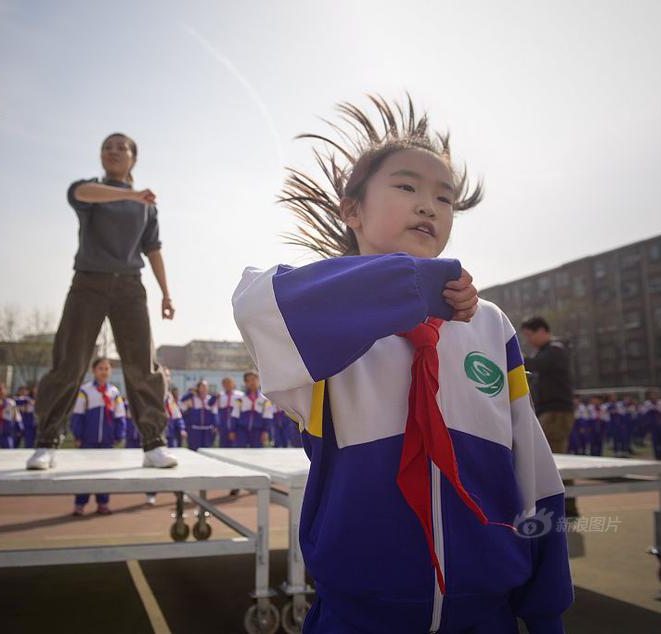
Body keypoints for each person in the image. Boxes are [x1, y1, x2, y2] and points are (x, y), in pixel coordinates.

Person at [232, 95, 571, 632]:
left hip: (487, 614)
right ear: (352, 211)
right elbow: (255, 306)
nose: (429, 206)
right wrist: (409, 284)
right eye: (407, 186)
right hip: (357, 615)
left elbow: (532, 465)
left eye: (445, 197)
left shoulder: (489, 325)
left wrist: (546, 609)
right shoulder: (322, 327)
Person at [28, 132, 177, 471]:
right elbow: (80, 193)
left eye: (121, 147)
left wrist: (166, 293)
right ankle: (46, 442)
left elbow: (153, 249)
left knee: (143, 365)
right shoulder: (90, 189)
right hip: (89, 283)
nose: (113, 151)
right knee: (69, 362)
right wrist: (132, 193)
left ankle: (154, 442)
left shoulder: (146, 205)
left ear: (133, 158)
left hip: (129, 287)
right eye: (107, 147)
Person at [520, 316, 578, 517]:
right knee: (554, 458)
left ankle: (565, 507)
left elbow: (537, 364)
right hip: (550, 411)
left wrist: (511, 355)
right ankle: (566, 506)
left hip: (557, 412)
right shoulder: (548, 351)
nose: (529, 341)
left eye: (529, 335)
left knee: (554, 459)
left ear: (542, 331)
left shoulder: (555, 349)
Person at [70, 358, 126, 516]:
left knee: (105, 473)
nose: (104, 371)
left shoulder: (114, 392)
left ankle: (103, 503)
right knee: (84, 473)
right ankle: (80, 504)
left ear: (111, 371)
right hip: (88, 439)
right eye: (100, 368)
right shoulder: (85, 391)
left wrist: (119, 435)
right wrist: (78, 435)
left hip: (107, 441)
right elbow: (78, 415)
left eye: (107, 368)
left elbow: (120, 416)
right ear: (93, 371)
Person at [231, 371, 272, 448]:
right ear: (245, 383)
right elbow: (234, 415)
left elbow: (268, 416)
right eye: (248, 380)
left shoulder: (265, 400)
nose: (251, 382)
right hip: (242, 431)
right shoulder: (240, 399)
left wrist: (265, 431)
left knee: (257, 454)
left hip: (258, 431)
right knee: (240, 452)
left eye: (253, 379)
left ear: (258, 381)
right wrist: (232, 431)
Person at [179, 380, 217, 451]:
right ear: (198, 388)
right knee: (194, 450)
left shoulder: (210, 399)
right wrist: (190, 393)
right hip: (195, 430)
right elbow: (182, 407)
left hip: (207, 430)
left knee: (207, 450)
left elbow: (214, 413)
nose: (204, 388)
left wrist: (215, 426)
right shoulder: (192, 399)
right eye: (202, 386)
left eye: (206, 386)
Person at [0, 383, 22, 449]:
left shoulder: (11, 403)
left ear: (6, 391)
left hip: (7, 435)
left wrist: (20, 428)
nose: (1, 391)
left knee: (8, 455)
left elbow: (17, 417)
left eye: (2, 389)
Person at [216, 377, 243, 448]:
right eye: (225, 383)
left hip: (235, 423)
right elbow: (218, 411)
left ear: (233, 384)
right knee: (223, 446)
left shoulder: (240, 395)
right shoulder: (220, 395)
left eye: (229, 383)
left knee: (235, 446)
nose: (227, 385)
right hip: (224, 424)